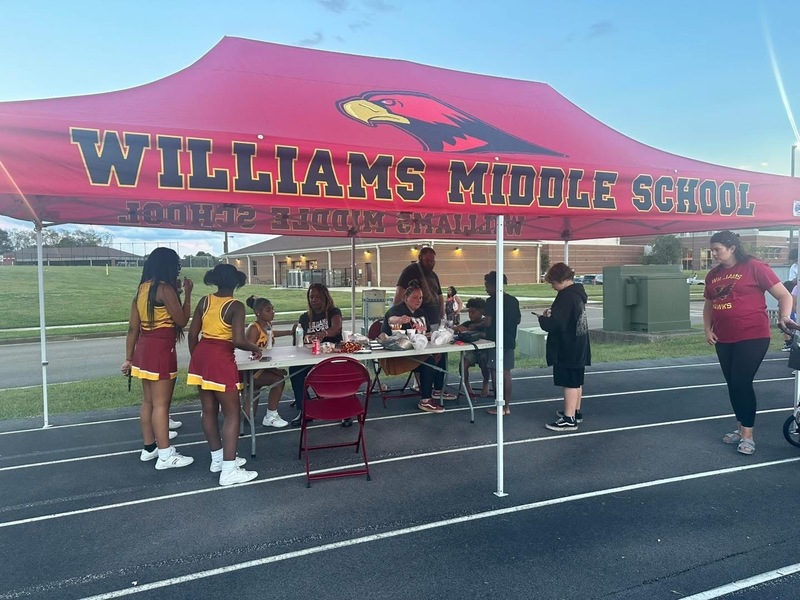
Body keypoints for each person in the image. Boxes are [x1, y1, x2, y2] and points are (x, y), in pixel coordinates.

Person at [703, 230, 794, 456]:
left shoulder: (754, 267)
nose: (714, 254)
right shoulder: (713, 275)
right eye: (712, 250)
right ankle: (740, 427)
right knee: (733, 384)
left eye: (717, 249)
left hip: (753, 335)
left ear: (732, 248)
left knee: (741, 381)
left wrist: (784, 316)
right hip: (724, 337)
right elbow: (709, 305)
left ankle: (748, 435)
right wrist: (707, 329)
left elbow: (784, 295)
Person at [187, 264, 262, 485]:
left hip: (201, 355)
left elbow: (192, 335)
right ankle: (229, 470)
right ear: (236, 283)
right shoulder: (236, 306)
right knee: (232, 413)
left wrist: (197, 358)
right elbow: (238, 340)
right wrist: (256, 348)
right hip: (220, 357)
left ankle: (218, 459)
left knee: (208, 410)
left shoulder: (204, 301)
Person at [121, 247, 194, 470]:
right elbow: (182, 320)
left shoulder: (141, 289)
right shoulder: (164, 289)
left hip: (143, 349)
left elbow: (132, 329)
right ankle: (165, 455)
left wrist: (129, 358)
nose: (178, 269)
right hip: (161, 350)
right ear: (168, 265)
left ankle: (150, 447)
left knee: (148, 402)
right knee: (161, 404)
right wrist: (188, 294)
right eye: (177, 265)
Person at [538, 263, 591, 432]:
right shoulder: (577, 293)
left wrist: (543, 319)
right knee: (576, 381)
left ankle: (569, 419)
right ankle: (575, 411)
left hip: (567, 345)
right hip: (579, 343)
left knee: (569, 382)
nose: (552, 287)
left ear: (561, 279)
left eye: (553, 283)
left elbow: (556, 324)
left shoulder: (566, 296)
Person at [382, 280, 448, 413]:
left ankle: (437, 390)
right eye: (415, 297)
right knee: (429, 361)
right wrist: (399, 320)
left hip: (419, 350)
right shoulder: (397, 310)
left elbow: (426, 332)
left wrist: (433, 336)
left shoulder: (421, 312)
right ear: (406, 298)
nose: (418, 300)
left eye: (421, 298)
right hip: (399, 355)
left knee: (441, 354)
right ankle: (425, 400)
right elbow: (391, 320)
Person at [289, 283, 343, 426]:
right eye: (311, 297)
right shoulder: (304, 318)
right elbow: (300, 341)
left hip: (331, 356)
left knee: (341, 373)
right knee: (294, 371)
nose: (313, 300)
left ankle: (344, 410)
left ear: (325, 297)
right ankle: (305, 410)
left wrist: (324, 333)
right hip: (310, 356)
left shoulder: (333, 312)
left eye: (317, 297)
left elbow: (336, 329)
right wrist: (305, 338)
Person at [244, 296, 291, 428]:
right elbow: (249, 355)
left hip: (262, 368)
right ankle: (271, 416)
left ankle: (242, 410)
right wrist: (273, 370)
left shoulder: (268, 325)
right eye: (268, 310)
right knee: (279, 380)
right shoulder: (254, 329)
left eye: (273, 309)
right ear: (258, 312)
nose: (272, 312)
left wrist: (289, 332)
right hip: (250, 370)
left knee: (246, 418)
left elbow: (272, 334)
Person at [482, 271, 521, 416]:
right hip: (509, 339)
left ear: (494, 285)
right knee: (506, 373)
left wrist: (475, 326)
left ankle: (500, 406)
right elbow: (518, 320)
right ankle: (507, 406)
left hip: (495, 340)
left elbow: (488, 322)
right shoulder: (513, 300)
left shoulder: (491, 301)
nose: (486, 289)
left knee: (495, 372)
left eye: (487, 286)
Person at [394, 246, 444, 328]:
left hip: (434, 320)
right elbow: (399, 293)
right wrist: (396, 316)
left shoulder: (433, 275)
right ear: (420, 258)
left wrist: (442, 314)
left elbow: (440, 296)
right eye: (427, 260)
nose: (430, 263)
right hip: (417, 321)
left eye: (432, 261)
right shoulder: (409, 271)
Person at [454, 297, 491, 398]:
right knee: (463, 364)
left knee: (484, 363)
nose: (470, 315)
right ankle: (466, 384)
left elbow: (486, 335)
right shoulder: (468, 323)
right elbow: (457, 328)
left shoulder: (485, 323)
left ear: (481, 312)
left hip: (484, 350)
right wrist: (457, 329)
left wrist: (471, 332)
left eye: (473, 312)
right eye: (469, 312)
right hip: (472, 351)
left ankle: (486, 382)